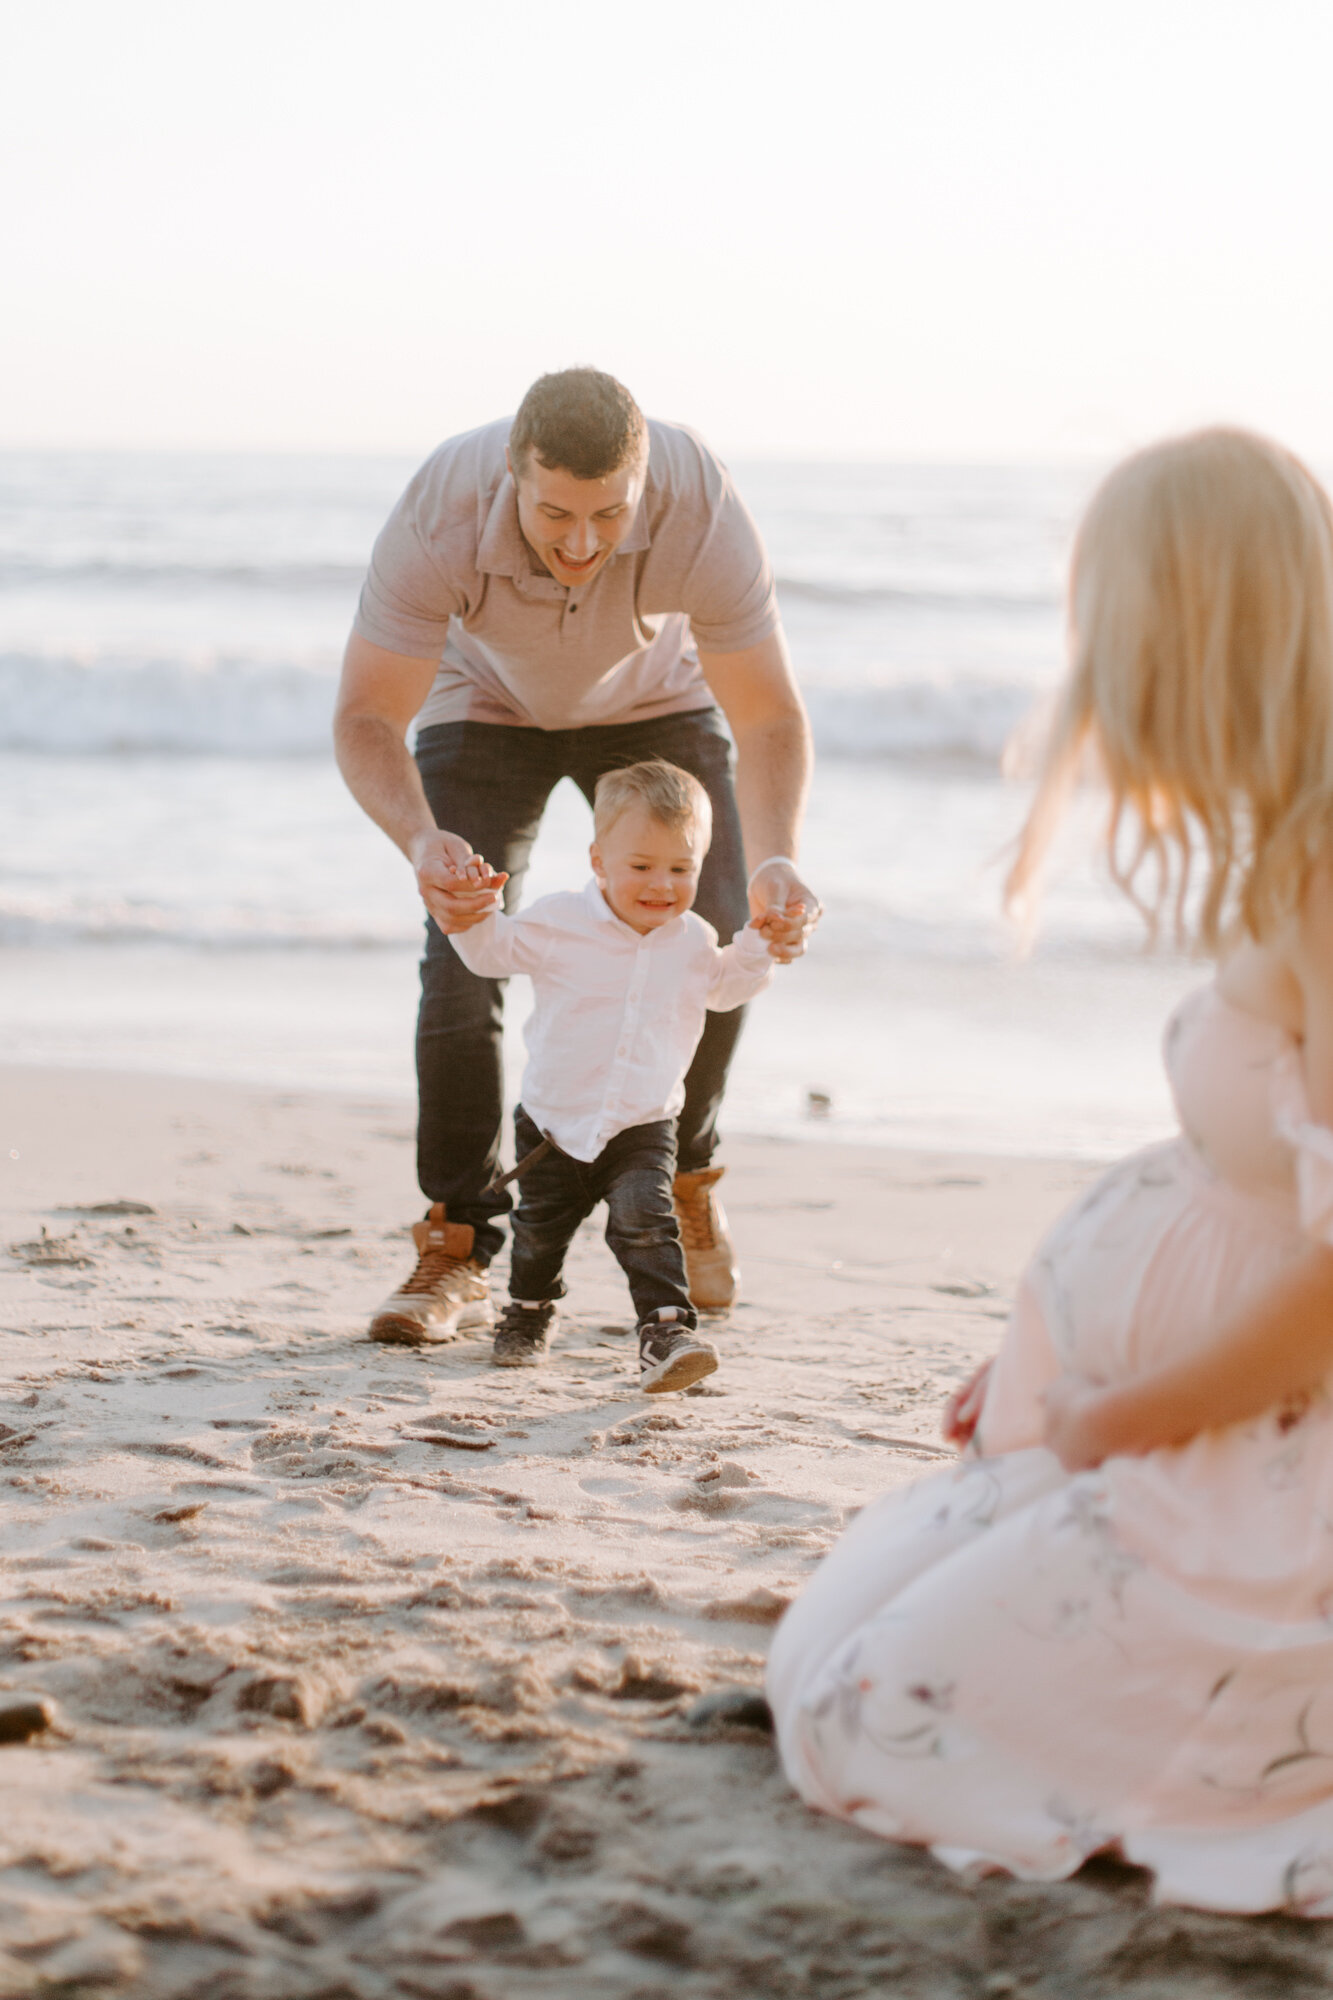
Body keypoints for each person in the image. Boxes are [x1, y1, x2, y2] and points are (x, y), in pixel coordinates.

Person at [767, 428, 1333, 1916]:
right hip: (1192, 1422)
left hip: (1275, 1472)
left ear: (1187, 633)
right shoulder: (1291, 840)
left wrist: (1115, 1417)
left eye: (1108, 624)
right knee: (832, 1637)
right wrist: (1050, 1346)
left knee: (856, 1716)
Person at [332, 367, 819, 1344]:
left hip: (655, 703)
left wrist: (775, 858)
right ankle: (460, 1239)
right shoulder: (442, 508)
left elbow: (767, 714)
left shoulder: (701, 506)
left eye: (609, 514)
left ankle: (682, 1175)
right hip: (485, 703)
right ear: (513, 473)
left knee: (715, 926)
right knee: (460, 959)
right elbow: (365, 716)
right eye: (555, 511)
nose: (582, 542)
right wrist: (424, 840)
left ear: (643, 485)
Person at [447, 759, 783, 1393]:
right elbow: (490, 953)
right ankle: (528, 1311)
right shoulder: (557, 922)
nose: (662, 884)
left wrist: (758, 944)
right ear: (598, 860)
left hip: (643, 1120)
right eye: (642, 866)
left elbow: (727, 987)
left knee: (647, 1223)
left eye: (681, 869)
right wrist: (475, 912)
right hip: (553, 1121)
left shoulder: (692, 940)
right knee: (539, 1234)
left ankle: (666, 1331)